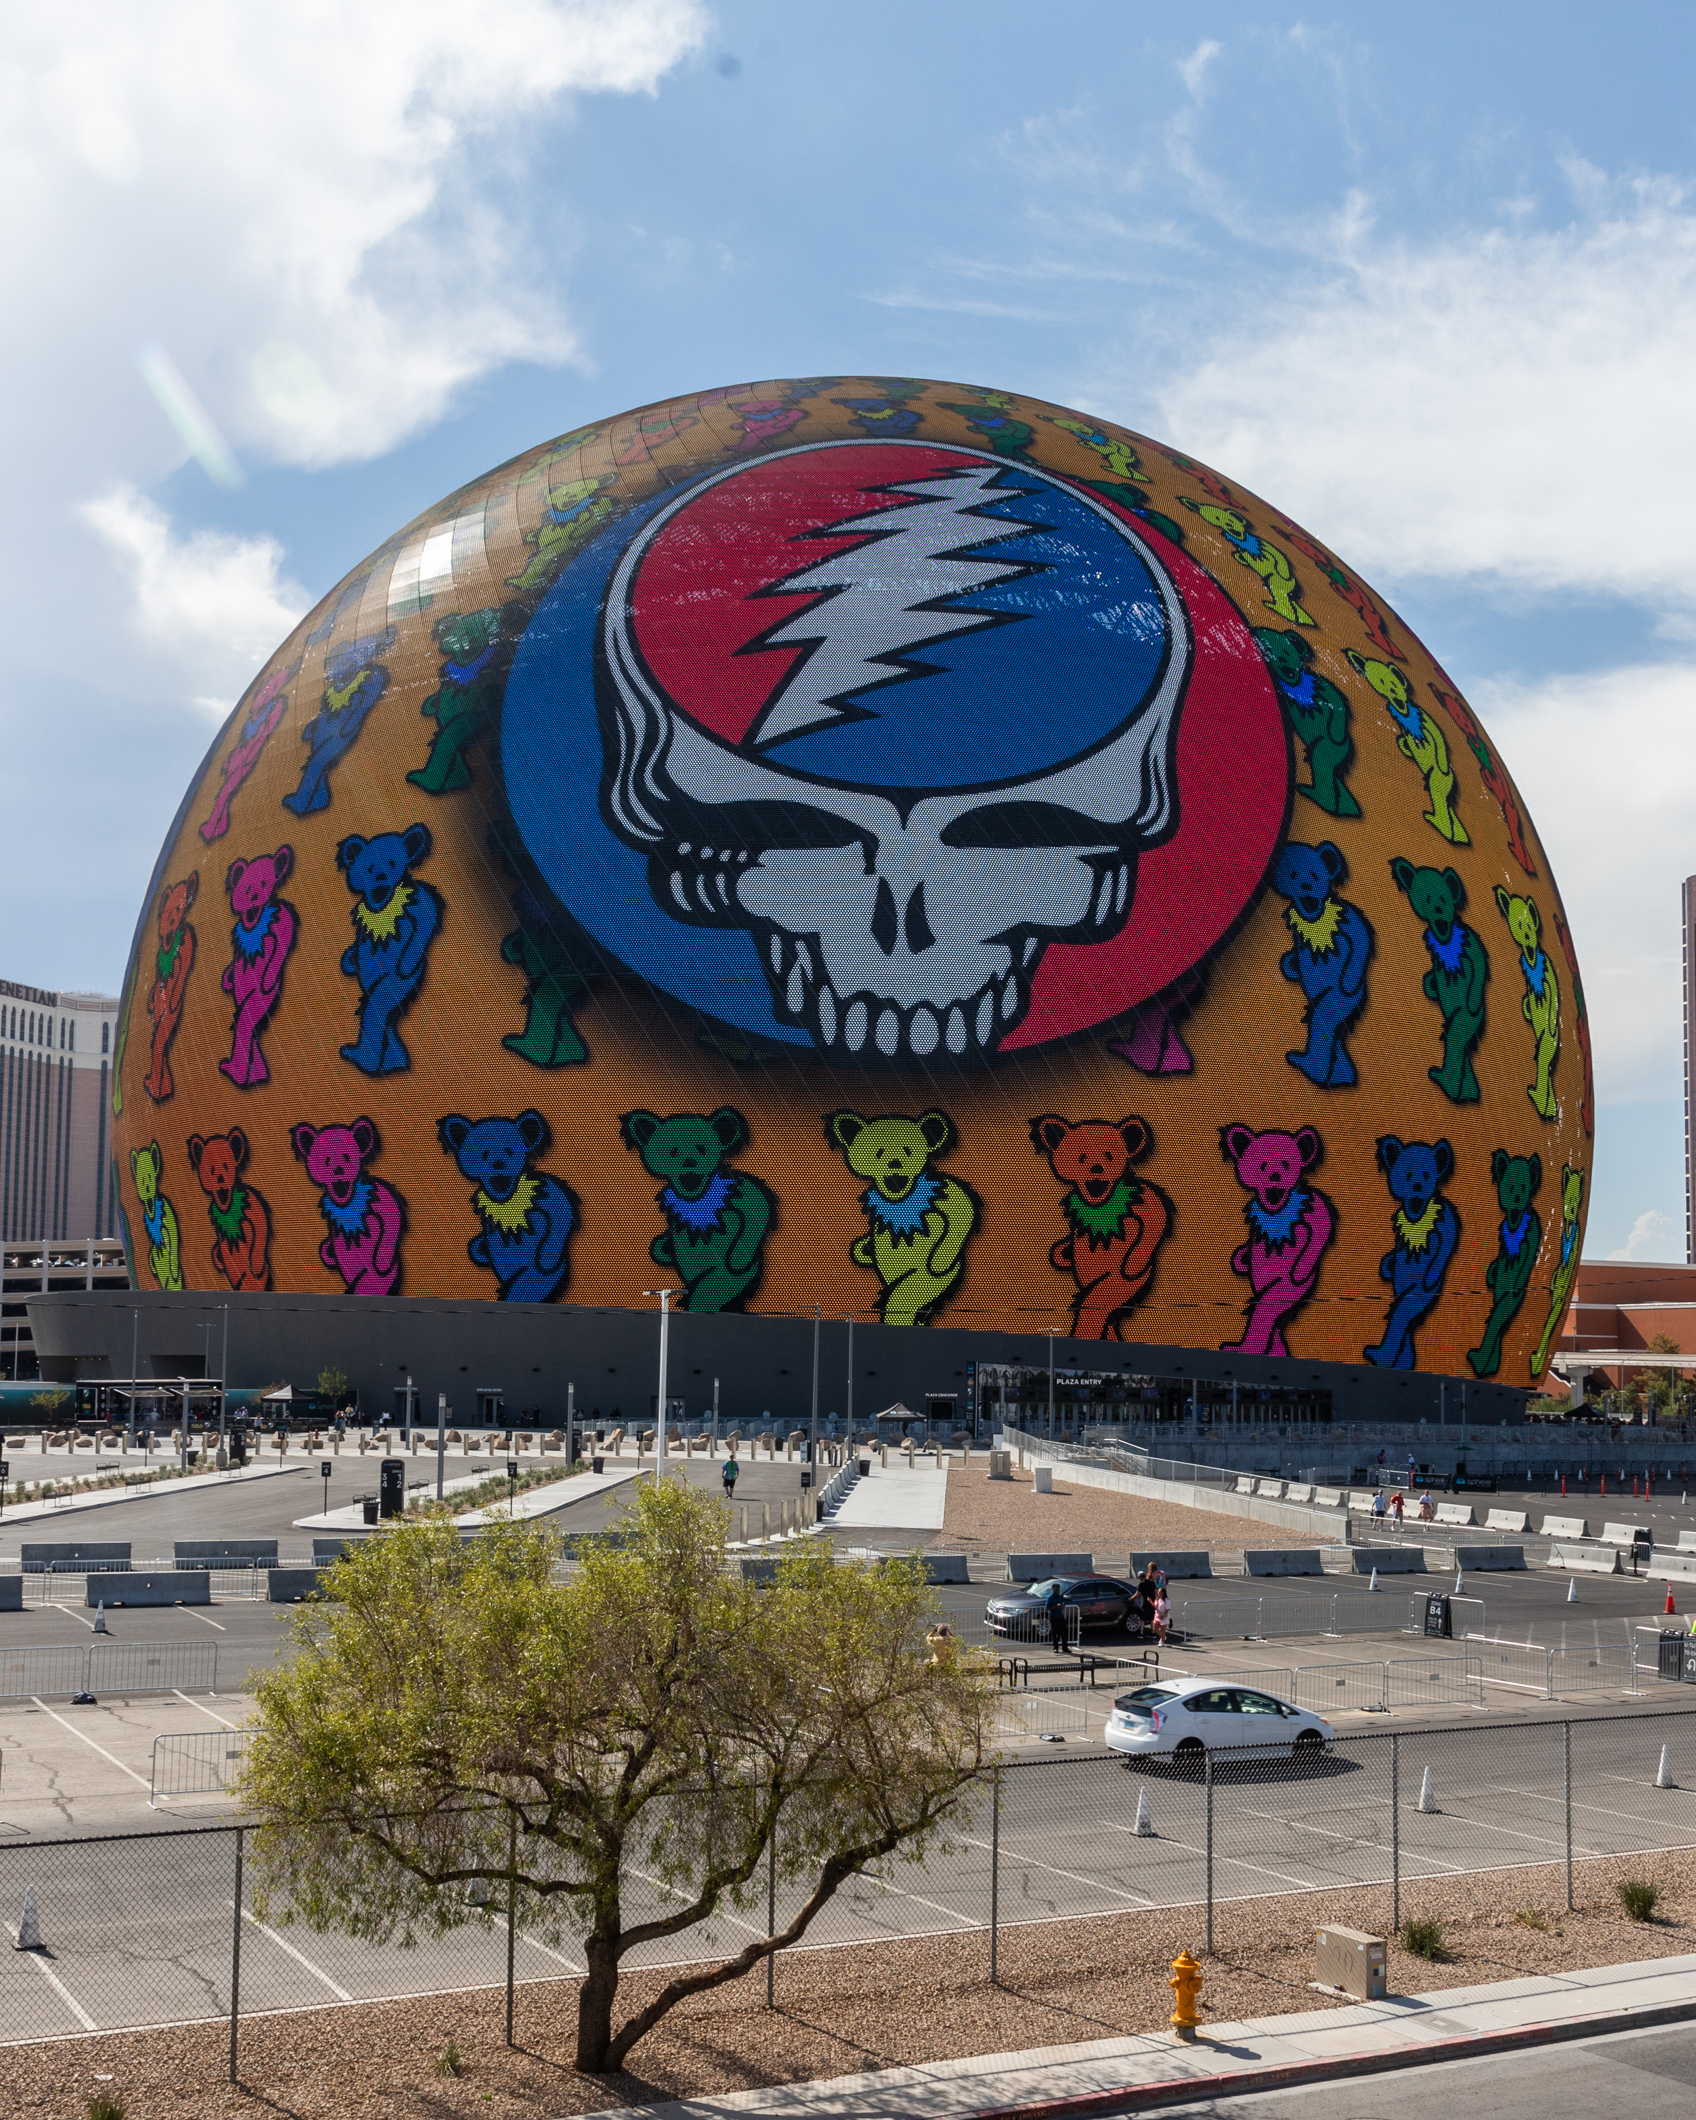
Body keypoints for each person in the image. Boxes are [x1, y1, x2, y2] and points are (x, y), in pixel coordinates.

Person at [1044, 1579, 1069, 1656]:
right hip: (1053, 1616)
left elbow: (1063, 1603)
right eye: (1056, 1589)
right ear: (1053, 1589)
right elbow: (1047, 1608)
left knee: (1064, 1632)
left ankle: (1065, 1648)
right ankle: (1056, 1648)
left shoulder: (1060, 1596)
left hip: (1060, 1616)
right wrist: (1055, 1606)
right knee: (1055, 1633)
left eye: (1058, 1589)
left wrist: (1062, 1605)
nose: (1058, 1590)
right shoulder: (1050, 1597)